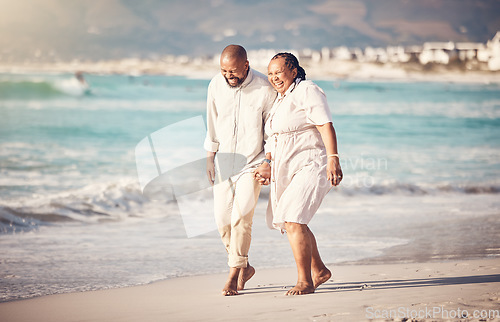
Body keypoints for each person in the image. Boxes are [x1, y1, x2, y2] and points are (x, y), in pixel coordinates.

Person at [254, 52, 343, 295]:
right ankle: (320, 270)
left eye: (278, 72)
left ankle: (305, 281)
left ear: (293, 71)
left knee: (293, 219)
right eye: (270, 73)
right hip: (286, 167)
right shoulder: (280, 100)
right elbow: (274, 138)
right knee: (293, 220)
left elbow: (325, 125)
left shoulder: (307, 90)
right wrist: (267, 164)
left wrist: (333, 159)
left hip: (311, 163)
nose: (273, 77)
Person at [204, 45, 277, 296]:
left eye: (233, 70)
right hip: (225, 161)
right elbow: (212, 121)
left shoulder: (265, 88)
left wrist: (269, 162)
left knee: (241, 218)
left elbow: (271, 131)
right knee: (222, 220)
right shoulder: (215, 84)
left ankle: (234, 274)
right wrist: (209, 156)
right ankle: (245, 266)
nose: (228, 76)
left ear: (246, 65)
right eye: (224, 70)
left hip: (254, 162)